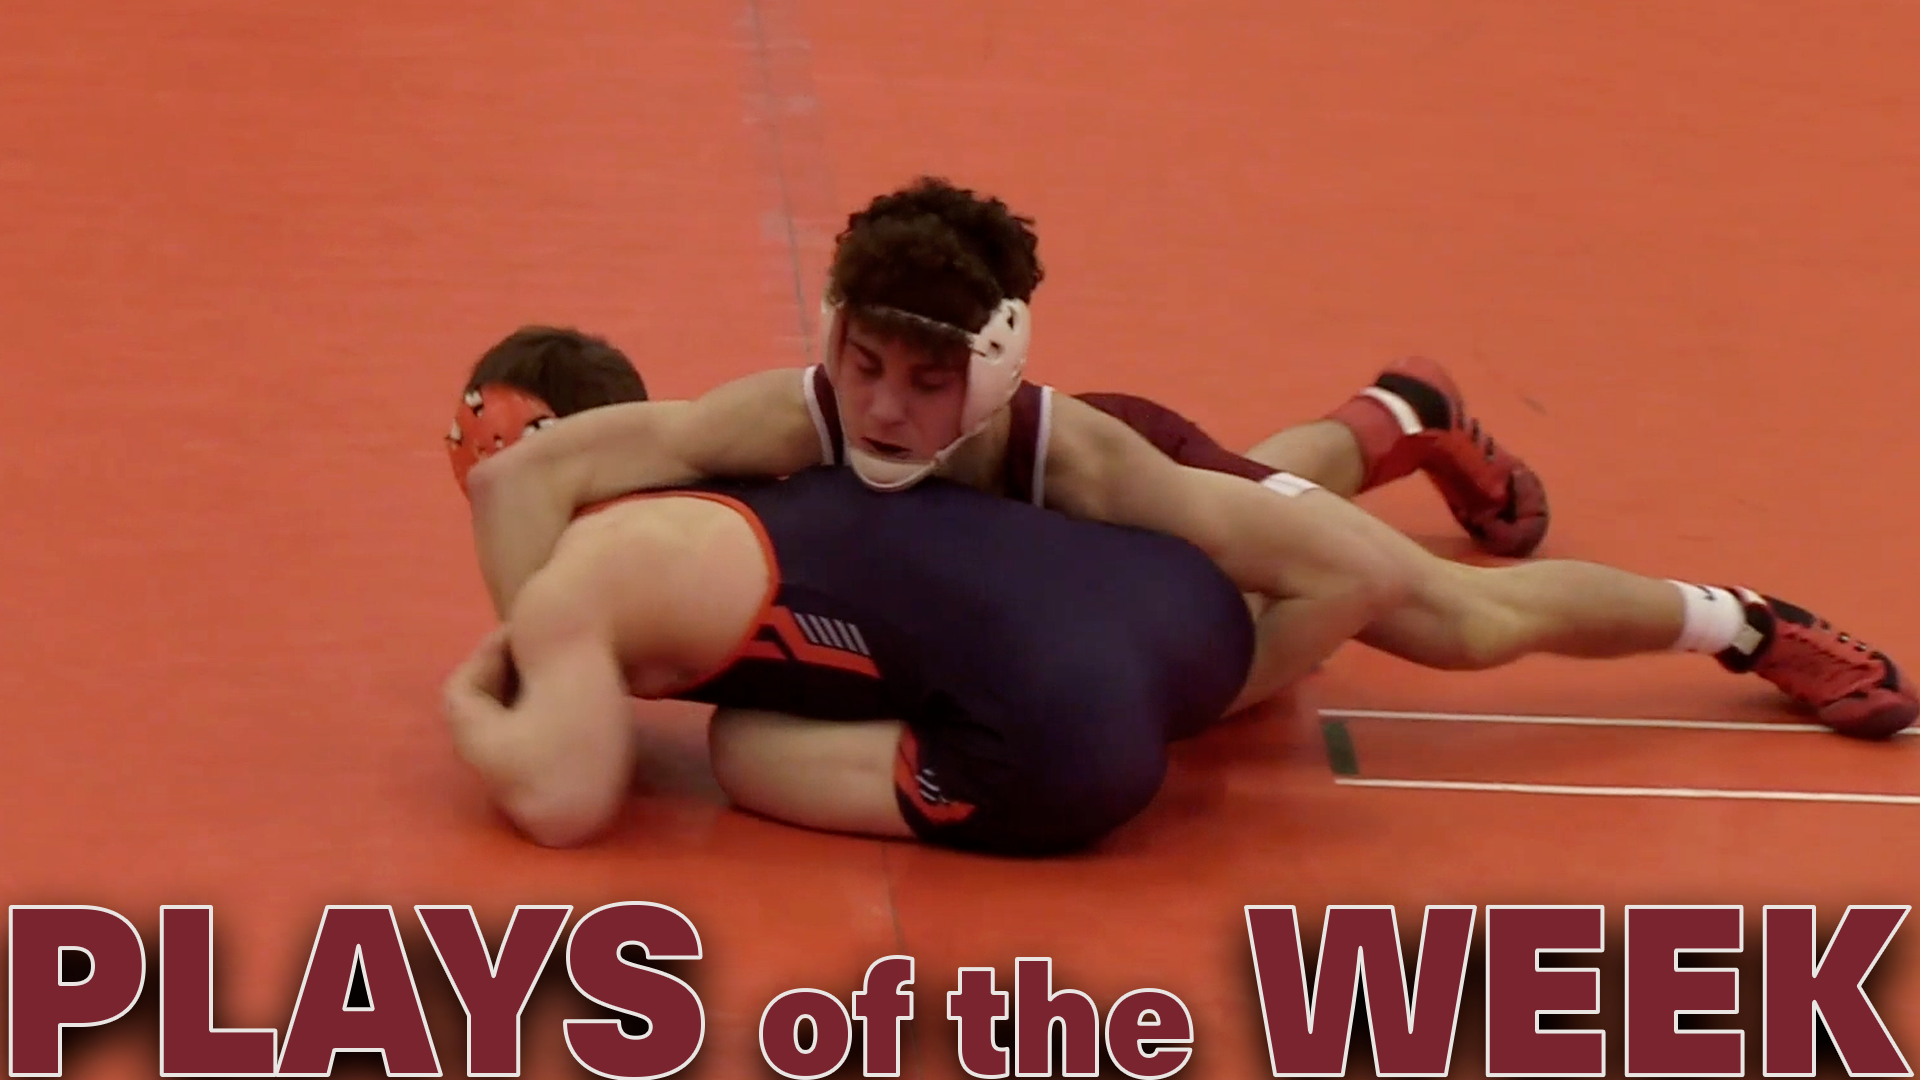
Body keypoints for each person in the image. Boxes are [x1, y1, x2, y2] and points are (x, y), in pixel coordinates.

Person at [457, 179, 1918, 742]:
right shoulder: (783, 415)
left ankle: (1738, 620)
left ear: (995, 369)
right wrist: (541, 653)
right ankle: (1395, 414)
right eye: (867, 373)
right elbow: (528, 473)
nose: (888, 416)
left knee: (1453, 618)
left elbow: (1321, 581)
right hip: (1103, 521)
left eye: (927, 382)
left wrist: (1258, 666)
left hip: (1146, 491)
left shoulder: (1089, 467)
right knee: (1262, 508)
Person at [442, 368, 1278, 856]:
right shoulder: (769, 457)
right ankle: (1390, 415)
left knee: (744, 750)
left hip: (1070, 743)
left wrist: (473, 704)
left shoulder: (584, 579)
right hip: (1192, 603)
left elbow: (565, 804)